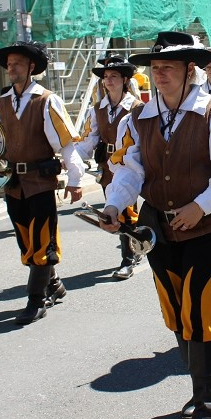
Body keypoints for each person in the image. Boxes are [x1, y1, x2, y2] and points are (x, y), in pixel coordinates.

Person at [101, 31, 211, 419]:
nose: (159, 74)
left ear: (192, 71)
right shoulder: (137, 117)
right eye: (154, 68)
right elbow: (129, 171)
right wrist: (115, 206)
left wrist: (200, 206)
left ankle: (205, 410)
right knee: (175, 308)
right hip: (157, 227)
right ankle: (196, 386)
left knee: (200, 307)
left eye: (167, 67)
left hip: (205, 227)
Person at [0, 40, 84, 326]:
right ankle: (53, 285)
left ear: (31, 67)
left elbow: (66, 144)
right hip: (13, 183)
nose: (11, 68)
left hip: (41, 181)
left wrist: (76, 179)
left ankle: (36, 299)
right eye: (9, 64)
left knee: (43, 242)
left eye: (17, 63)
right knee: (25, 242)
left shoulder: (46, 100)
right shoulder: (0, 104)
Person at [75, 55, 143, 280]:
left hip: (130, 163)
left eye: (114, 76)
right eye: (106, 77)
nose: (109, 80)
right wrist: (72, 160)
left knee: (127, 212)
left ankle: (128, 258)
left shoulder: (136, 106)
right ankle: (135, 246)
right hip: (107, 166)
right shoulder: (98, 108)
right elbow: (88, 139)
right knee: (113, 212)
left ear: (125, 79)